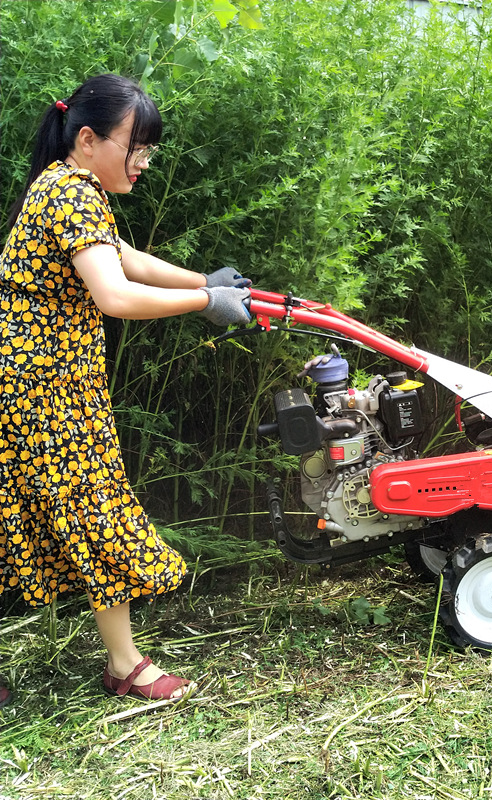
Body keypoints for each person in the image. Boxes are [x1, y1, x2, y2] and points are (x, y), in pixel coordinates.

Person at [0, 74, 252, 704]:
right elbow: (115, 295)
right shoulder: (71, 194)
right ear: (88, 140)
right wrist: (205, 301)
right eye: (134, 148)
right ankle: (125, 664)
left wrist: (208, 278)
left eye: (149, 152)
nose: (141, 163)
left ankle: (122, 660)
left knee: (46, 518)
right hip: (43, 396)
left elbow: (126, 260)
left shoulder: (64, 187)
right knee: (97, 513)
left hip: (40, 388)